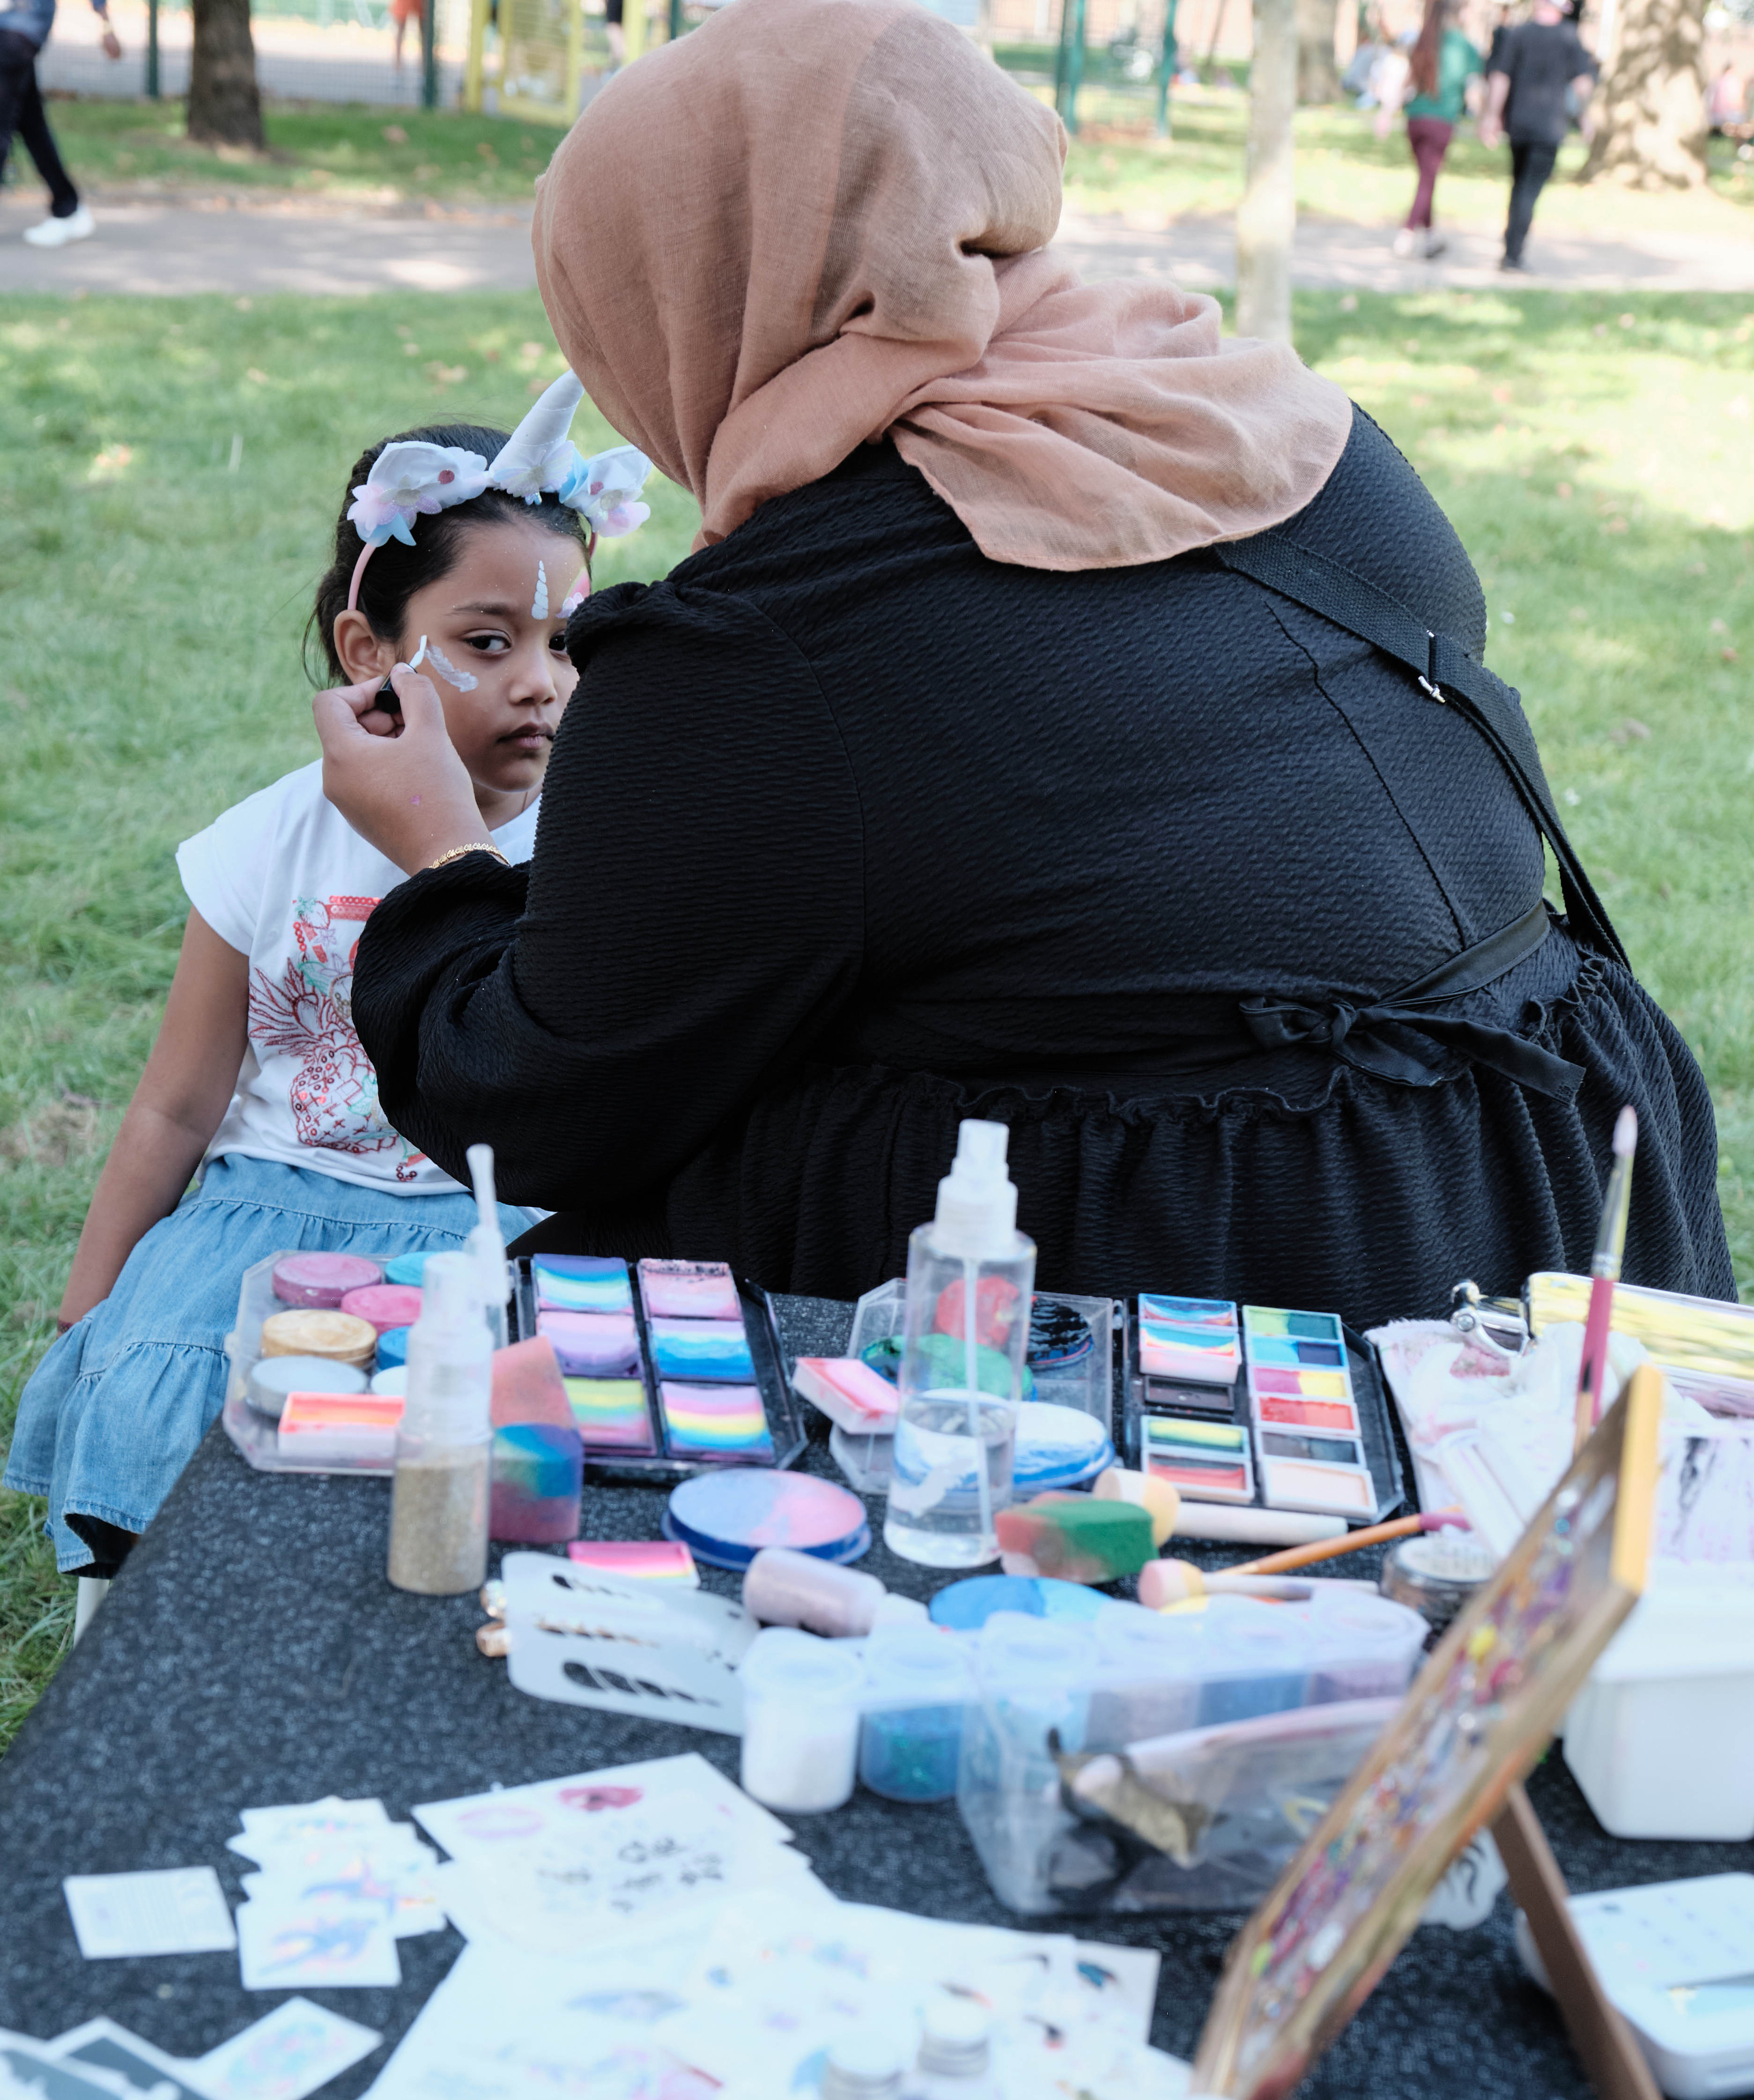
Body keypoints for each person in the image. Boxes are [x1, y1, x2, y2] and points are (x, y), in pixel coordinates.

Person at [320, 0, 1732, 1334]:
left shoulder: (760, 642)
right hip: (1565, 1176)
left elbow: (543, 1099)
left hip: (1196, 1276)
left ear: (669, 295)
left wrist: (445, 860)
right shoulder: (1309, 436)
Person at [2, 388, 646, 1579]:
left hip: (497, 1218)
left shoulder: (605, 845)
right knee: (166, 1402)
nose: (542, 682)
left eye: (567, 641)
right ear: (371, 651)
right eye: (489, 641)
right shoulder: (266, 842)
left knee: (501, 1441)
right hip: (273, 1210)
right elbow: (177, 1105)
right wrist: (88, 1304)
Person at [1480, 0, 1597, 273]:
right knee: (1529, 190)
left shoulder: (1518, 34)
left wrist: (1492, 116)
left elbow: (1500, 77)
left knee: (1519, 185)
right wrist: (1586, 118)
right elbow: (1582, 83)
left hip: (1519, 124)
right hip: (1548, 127)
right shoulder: (1569, 37)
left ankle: (1511, 248)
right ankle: (1513, 254)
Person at [0, 0, 118, 250]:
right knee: (31, 125)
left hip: (19, 30)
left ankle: (69, 208)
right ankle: (69, 208)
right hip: (13, 29)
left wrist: (106, 24)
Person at [1382, 0, 1482, 259]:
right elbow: (1473, 92)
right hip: (1441, 121)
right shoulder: (1464, 46)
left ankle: (1431, 238)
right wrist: (1484, 119)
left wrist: (1385, 115)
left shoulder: (1423, 40)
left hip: (1415, 120)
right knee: (1427, 180)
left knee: (1427, 179)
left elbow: (1405, 83)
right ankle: (1406, 235)